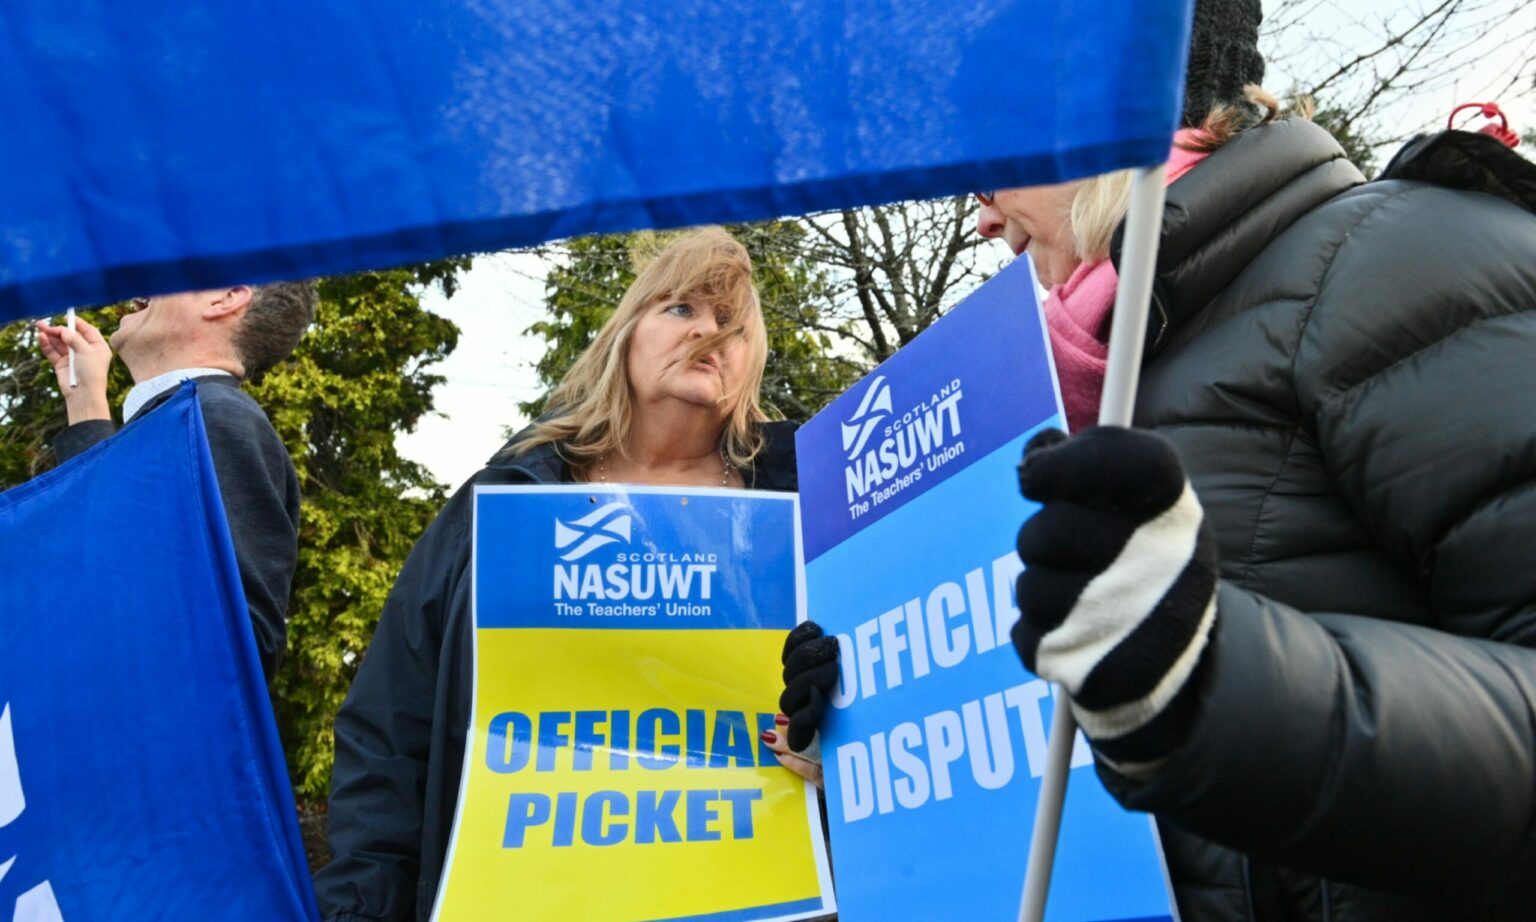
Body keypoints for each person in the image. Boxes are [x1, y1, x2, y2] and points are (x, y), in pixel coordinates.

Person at [784, 0, 1536, 917]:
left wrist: (1213, 681)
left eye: (988, 170)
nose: (979, 220)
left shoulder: (1405, 261)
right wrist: (865, 738)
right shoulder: (1066, 395)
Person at [316, 227, 800, 922]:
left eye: (732, 323)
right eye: (682, 309)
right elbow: (390, 729)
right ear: (624, 334)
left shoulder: (801, 504)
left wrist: (832, 743)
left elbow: (875, 714)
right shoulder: (506, 499)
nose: (708, 334)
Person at [35, 283, 316, 681]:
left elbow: (240, 644)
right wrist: (84, 401)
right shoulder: (188, 418)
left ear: (225, 297)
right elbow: (110, 550)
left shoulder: (218, 418)